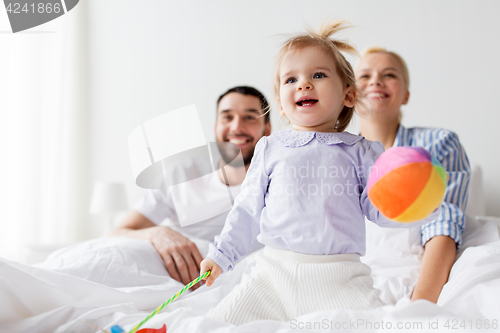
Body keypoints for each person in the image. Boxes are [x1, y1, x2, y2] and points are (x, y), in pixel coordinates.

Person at [200, 21, 440, 325]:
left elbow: (380, 208)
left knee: (381, 326)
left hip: (341, 278)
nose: (303, 84)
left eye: (318, 75)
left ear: (348, 96)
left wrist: (420, 208)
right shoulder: (270, 147)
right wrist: (221, 255)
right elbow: (247, 210)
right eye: (291, 79)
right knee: (216, 324)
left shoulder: (362, 151)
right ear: (281, 106)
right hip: (272, 275)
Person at [109, 86, 272, 288]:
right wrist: (157, 233)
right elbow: (117, 233)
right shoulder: (182, 174)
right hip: (160, 276)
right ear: (216, 127)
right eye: (227, 117)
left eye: (250, 117)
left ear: (267, 130)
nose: (236, 127)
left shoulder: (279, 188)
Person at [355, 47, 470, 303]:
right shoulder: (335, 156)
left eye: (389, 74)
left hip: (413, 276)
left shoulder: (439, 143)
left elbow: (443, 222)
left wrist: (420, 306)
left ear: (405, 94)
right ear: (349, 94)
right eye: (365, 76)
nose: (375, 80)